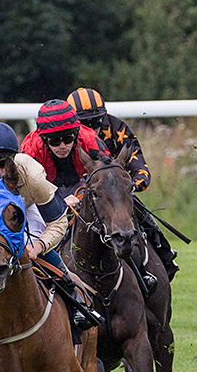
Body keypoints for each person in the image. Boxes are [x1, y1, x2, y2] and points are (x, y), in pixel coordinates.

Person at [0, 121, 103, 353]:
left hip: (24, 210)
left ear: (14, 160)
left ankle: (74, 300)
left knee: (37, 250)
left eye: (3, 163)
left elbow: (57, 220)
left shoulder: (31, 173)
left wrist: (39, 245)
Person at [67, 87, 179, 282]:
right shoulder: (66, 137)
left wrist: (134, 185)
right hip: (76, 196)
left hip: (116, 196)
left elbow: (139, 164)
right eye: (84, 124)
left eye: (96, 122)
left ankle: (164, 260)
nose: (91, 129)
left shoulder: (117, 128)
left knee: (146, 220)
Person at [20, 99, 109, 202]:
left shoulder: (89, 140)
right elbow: (25, 192)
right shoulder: (31, 148)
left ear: (76, 135)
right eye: (55, 141)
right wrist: (58, 203)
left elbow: (109, 174)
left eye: (68, 139)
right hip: (44, 191)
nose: (62, 146)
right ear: (44, 139)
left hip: (82, 186)